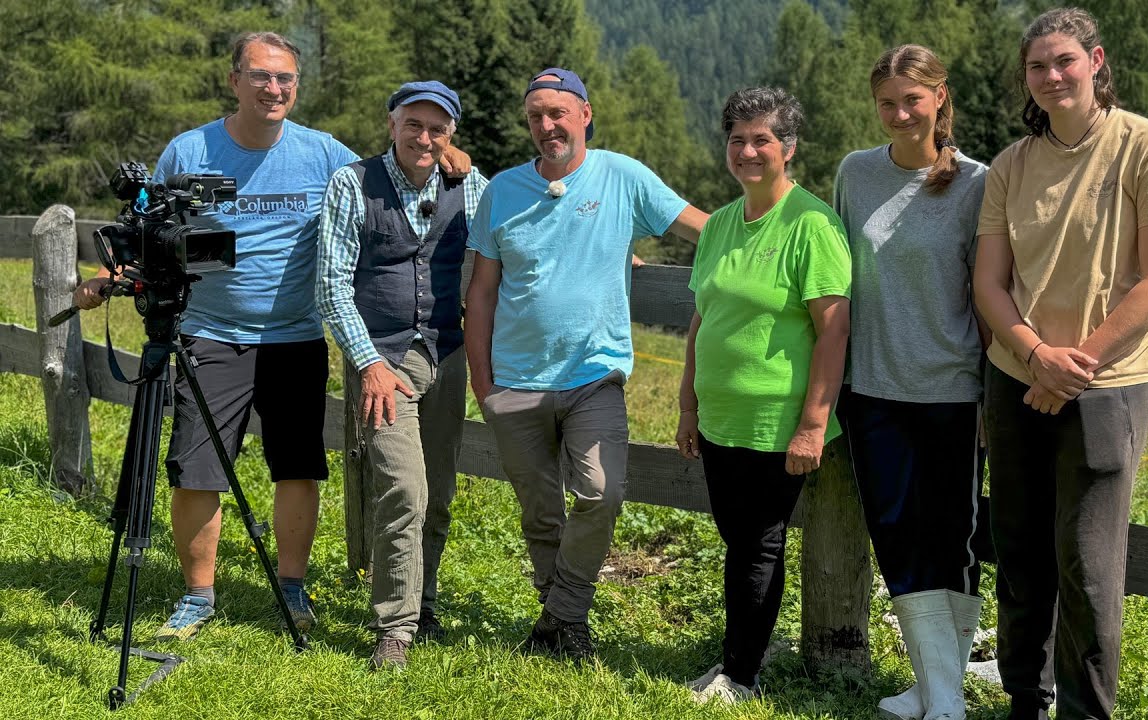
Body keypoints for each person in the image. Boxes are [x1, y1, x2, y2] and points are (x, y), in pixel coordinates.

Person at [72, 33, 463, 642]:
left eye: (284, 78)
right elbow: (147, 223)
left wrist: (448, 152)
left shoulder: (324, 153)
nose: (273, 88)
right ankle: (198, 596)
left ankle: (292, 587)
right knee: (197, 469)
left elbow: (394, 167)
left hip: (296, 335)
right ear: (235, 81)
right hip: (210, 332)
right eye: (260, 75)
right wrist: (111, 274)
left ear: (296, 87)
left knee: (297, 467)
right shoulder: (190, 150)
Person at [973, 8, 1148, 719]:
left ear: (1096, 62)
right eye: (1037, 66)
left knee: (1089, 567)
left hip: (1108, 386)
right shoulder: (1011, 165)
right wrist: (1037, 355)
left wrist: (1076, 365)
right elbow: (988, 283)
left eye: (1064, 60)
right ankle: (1025, 702)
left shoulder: (1145, 146)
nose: (1051, 75)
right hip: (1016, 378)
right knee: (1019, 552)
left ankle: (1086, 712)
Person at [464, 68, 706, 660]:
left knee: (601, 491)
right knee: (539, 511)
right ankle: (564, 628)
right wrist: (483, 384)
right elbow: (482, 292)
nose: (547, 126)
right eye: (536, 117)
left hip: (594, 376)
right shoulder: (503, 190)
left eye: (558, 113)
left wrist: (779, 234)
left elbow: (704, 229)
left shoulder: (621, 176)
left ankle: (562, 615)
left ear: (585, 114)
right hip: (514, 381)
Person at [676, 87, 851, 704]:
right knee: (738, 539)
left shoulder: (812, 225)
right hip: (720, 417)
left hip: (776, 420)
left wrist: (813, 425)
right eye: (737, 140)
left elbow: (834, 332)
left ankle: (741, 675)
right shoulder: (721, 224)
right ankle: (744, 652)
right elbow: (702, 319)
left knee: (757, 543)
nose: (747, 152)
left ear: (789, 148)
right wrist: (688, 406)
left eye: (762, 140)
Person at [831, 45, 988, 720]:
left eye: (912, 100)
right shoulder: (855, 172)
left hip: (953, 390)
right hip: (872, 389)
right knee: (895, 532)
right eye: (887, 103)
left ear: (939, 97)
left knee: (952, 538)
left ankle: (942, 694)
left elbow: (990, 292)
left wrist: (993, 395)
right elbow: (835, 277)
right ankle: (937, 690)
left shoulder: (977, 182)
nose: (900, 114)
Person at [317, 81, 484, 670]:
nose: (424, 137)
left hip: (446, 353)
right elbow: (331, 285)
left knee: (438, 490)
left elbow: (520, 226)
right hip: (382, 359)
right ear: (392, 125)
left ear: (451, 135)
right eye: (414, 124)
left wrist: (604, 244)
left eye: (438, 129)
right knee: (403, 488)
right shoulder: (353, 183)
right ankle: (395, 628)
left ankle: (425, 603)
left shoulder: (469, 184)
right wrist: (368, 364)